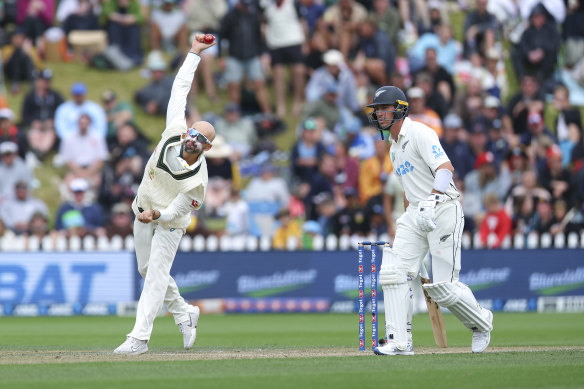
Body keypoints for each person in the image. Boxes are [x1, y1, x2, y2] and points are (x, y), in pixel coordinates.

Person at [366, 85, 493, 356]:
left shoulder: (420, 133)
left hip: (442, 208)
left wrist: (432, 201)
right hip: (414, 215)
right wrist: (409, 218)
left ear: (399, 109)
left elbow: (445, 169)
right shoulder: (393, 147)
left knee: (444, 289)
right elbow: (407, 189)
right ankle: (400, 342)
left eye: (384, 109)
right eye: (377, 110)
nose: (379, 115)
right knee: (394, 272)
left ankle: (482, 322)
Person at [113, 34, 217, 355]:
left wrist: (158, 215)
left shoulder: (198, 178)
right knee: (147, 270)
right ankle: (184, 311)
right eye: (192, 132)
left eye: (200, 138)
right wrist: (193, 53)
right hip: (141, 208)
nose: (192, 139)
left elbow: (176, 210)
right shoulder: (174, 131)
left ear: (206, 147)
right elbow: (179, 89)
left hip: (169, 222)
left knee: (155, 276)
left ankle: (139, 338)